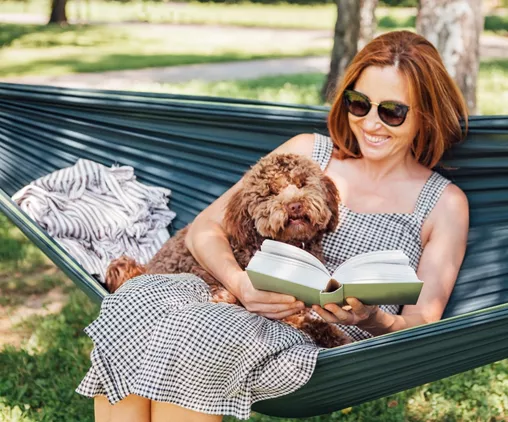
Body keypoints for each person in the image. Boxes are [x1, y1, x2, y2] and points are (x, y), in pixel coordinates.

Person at [82, 29, 470, 422]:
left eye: (392, 111)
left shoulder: (444, 204)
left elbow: (421, 325)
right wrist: (241, 285)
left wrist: (373, 318)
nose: (370, 123)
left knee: (196, 333)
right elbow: (205, 229)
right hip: (236, 304)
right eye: (358, 104)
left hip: (318, 348)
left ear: (426, 113)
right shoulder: (308, 151)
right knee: (135, 302)